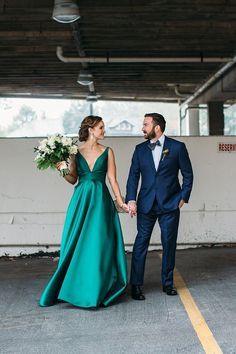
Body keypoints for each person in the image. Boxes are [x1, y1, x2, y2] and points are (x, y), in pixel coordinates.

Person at [39, 115, 128, 308]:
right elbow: (72, 179)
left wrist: (121, 202)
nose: (104, 130)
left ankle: (97, 289)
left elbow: (112, 180)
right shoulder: (74, 152)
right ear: (91, 129)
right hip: (81, 200)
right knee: (77, 243)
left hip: (100, 200)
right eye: (101, 127)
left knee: (99, 243)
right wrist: (61, 168)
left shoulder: (108, 151)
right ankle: (75, 289)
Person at [126, 113, 193, 300]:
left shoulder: (178, 147)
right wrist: (131, 199)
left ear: (157, 127)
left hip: (170, 204)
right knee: (140, 245)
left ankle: (168, 284)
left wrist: (184, 197)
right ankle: (136, 286)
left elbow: (188, 174)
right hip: (145, 205)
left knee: (169, 245)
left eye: (146, 124)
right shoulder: (139, 149)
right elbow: (133, 176)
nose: (142, 128)